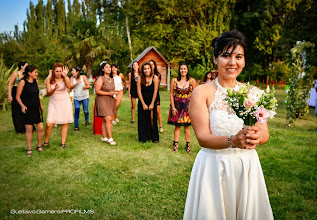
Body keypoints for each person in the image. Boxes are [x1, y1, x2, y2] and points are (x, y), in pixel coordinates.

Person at [183, 30, 274, 219]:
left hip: (246, 166)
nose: (232, 62)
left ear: (244, 60)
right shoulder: (201, 92)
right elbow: (202, 138)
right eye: (226, 56)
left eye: (238, 56)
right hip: (214, 168)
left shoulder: (253, 92)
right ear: (215, 59)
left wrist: (258, 137)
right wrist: (232, 141)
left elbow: (265, 134)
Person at [167, 62, 197, 153]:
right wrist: (173, 107)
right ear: (179, 70)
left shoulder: (192, 81)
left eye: (185, 69)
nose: (183, 70)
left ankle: (188, 145)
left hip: (188, 106)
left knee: (187, 126)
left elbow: (195, 94)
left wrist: (192, 107)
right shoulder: (174, 81)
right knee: (177, 126)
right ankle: (175, 144)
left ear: (187, 70)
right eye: (181, 69)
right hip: (177, 106)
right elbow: (171, 95)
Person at [43, 63, 73, 149]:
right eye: (57, 71)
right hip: (53, 102)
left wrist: (66, 76)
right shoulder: (49, 79)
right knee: (49, 124)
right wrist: (53, 89)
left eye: (60, 71)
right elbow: (48, 93)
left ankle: (63, 143)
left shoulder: (65, 78)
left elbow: (69, 86)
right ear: (53, 71)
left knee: (64, 123)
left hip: (64, 102)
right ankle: (46, 142)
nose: (58, 73)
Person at [15, 65, 44, 156]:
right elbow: (17, 96)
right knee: (29, 129)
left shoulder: (36, 82)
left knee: (40, 128)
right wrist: (22, 106)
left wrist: (41, 105)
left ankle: (39, 146)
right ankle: (29, 148)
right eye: (35, 72)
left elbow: (37, 95)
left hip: (36, 108)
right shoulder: (22, 82)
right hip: (27, 108)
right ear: (29, 73)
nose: (37, 74)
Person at [95, 61, 117, 145]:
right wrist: (109, 93)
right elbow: (97, 91)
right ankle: (110, 138)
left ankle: (103, 137)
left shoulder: (112, 79)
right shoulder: (101, 78)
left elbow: (110, 90)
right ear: (103, 69)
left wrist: (114, 93)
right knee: (108, 119)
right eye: (106, 67)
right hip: (102, 100)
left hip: (110, 100)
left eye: (110, 67)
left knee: (105, 120)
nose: (109, 68)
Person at [137, 62, 159, 143]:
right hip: (142, 100)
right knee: (142, 119)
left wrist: (152, 103)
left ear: (151, 69)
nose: (147, 70)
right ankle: (143, 137)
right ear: (142, 70)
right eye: (145, 69)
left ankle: (154, 137)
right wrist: (143, 104)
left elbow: (155, 91)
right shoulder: (140, 78)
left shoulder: (155, 78)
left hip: (152, 100)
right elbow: (139, 91)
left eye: (148, 68)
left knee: (152, 118)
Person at [8, 61, 28, 134]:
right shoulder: (16, 74)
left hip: (24, 91)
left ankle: (26, 127)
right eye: (26, 65)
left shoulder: (26, 74)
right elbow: (10, 84)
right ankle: (19, 128)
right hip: (15, 90)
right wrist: (9, 95)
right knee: (16, 110)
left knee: (25, 108)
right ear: (22, 66)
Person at [70, 66, 90, 132]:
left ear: (77, 72)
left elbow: (89, 86)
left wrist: (85, 87)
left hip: (85, 97)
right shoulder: (71, 78)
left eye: (73, 71)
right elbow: (70, 87)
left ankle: (87, 120)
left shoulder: (83, 77)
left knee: (86, 111)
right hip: (76, 97)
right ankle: (76, 126)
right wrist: (76, 84)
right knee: (77, 110)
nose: (72, 72)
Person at [149, 60, 164, 133]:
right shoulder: (146, 74)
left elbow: (156, 86)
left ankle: (160, 126)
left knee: (157, 111)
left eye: (152, 64)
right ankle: (151, 127)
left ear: (154, 66)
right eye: (150, 64)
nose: (151, 66)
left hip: (155, 94)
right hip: (148, 95)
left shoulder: (157, 75)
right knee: (150, 113)